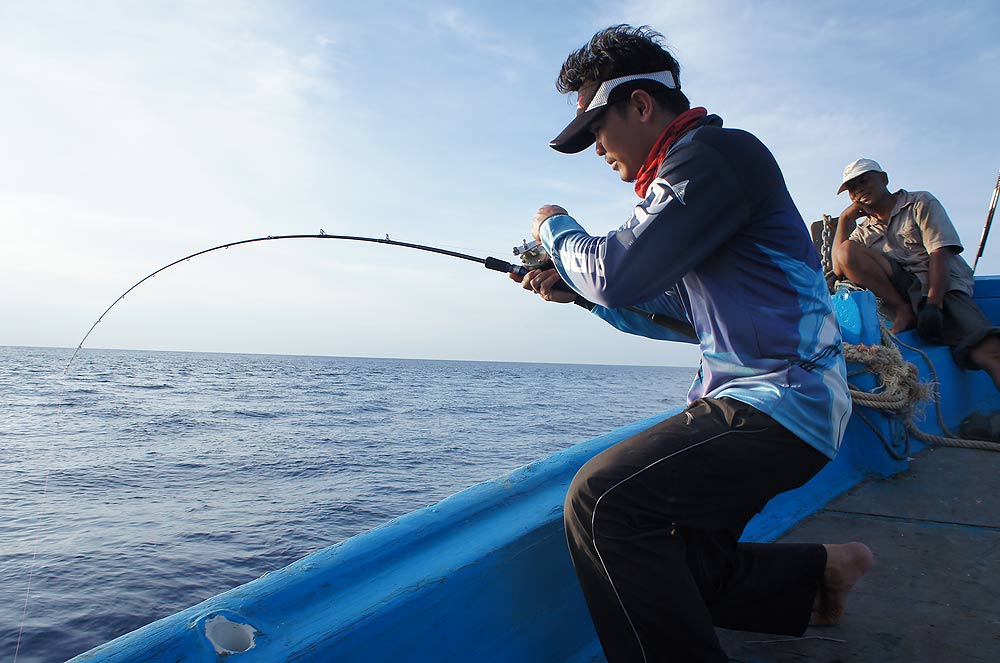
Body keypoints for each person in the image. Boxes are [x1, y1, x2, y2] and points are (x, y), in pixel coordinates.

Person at [511, 25, 873, 663]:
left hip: (783, 401)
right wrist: (581, 294)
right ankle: (817, 577)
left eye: (598, 128)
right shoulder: (696, 186)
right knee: (671, 557)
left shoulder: (714, 157)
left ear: (642, 105)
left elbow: (618, 270)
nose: (596, 148)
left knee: (602, 503)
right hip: (774, 405)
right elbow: (678, 314)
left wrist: (554, 226)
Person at [831, 158, 1000, 389]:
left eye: (864, 181)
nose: (859, 190)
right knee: (846, 251)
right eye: (852, 188)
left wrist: (934, 304)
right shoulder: (863, 231)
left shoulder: (919, 202)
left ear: (883, 179)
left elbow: (939, 253)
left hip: (940, 286)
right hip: (903, 292)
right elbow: (839, 267)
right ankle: (903, 312)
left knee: (989, 353)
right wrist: (844, 220)